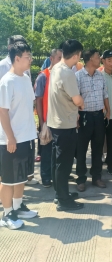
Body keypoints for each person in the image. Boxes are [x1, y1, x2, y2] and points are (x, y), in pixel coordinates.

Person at [0, 41, 38, 230]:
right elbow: (3, 112)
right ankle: (7, 214)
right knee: (8, 179)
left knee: (22, 176)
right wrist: (10, 137)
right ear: (16, 58)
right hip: (11, 139)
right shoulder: (7, 81)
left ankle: (18, 206)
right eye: (27, 57)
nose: (30, 60)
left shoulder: (25, 78)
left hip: (27, 136)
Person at [48, 39, 84, 211]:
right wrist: (81, 102)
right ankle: (64, 200)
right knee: (64, 164)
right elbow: (77, 100)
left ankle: (60, 193)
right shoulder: (68, 73)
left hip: (56, 122)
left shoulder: (56, 68)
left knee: (57, 162)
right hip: (65, 124)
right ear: (76, 55)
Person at [75, 49, 110, 191]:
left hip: (99, 116)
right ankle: (81, 178)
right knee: (81, 149)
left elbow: (105, 94)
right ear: (90, 59)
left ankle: (96, 177)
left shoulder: (100, 76)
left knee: (98, 148)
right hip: (84, 117)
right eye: (97, 57)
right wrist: (76, 117)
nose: (99, 59)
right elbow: (74, 98)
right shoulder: (78, 76)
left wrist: (108, 110)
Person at [34, 48, 63, 187]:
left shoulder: (63, 75)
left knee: (58, 151)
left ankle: (55, 174)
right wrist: (42, 122)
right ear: (51, 59)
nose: (61, 61)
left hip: (60, 120)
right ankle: (46, 177)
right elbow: (38, 99)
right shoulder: (43, 76)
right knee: (46, 150)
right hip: (47, 120)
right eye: (59, 58)